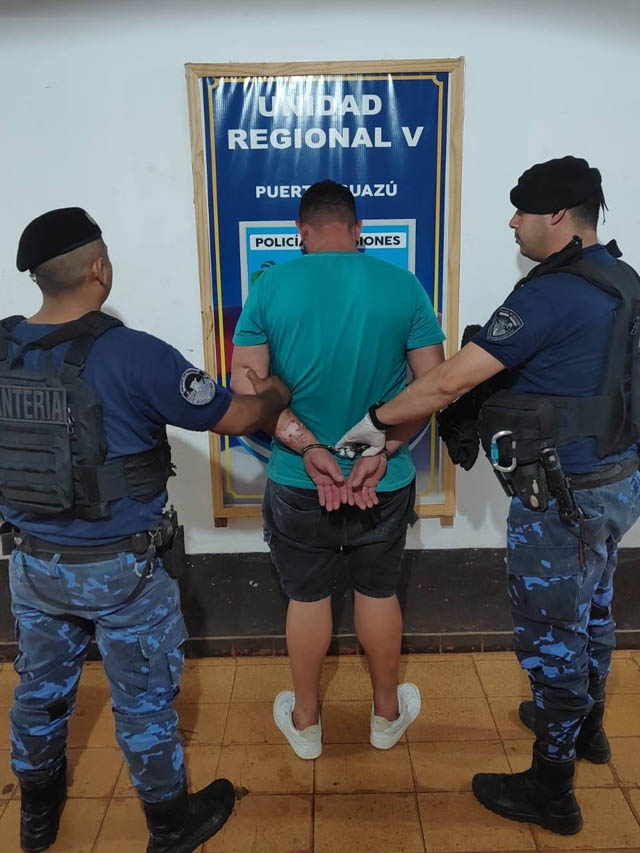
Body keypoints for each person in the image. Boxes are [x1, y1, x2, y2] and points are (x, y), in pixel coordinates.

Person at [335, 157, 640, 835]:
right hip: (616, 485)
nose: (512, 222)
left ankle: (551, 787)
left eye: (521, 210)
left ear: (557, 215)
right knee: (593, 607)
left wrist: (377, 422)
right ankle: (586, 728)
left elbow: (449, 381)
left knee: (552, 635)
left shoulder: (551, 293)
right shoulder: (622, 279)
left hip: (564, 502)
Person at [0, 207, 290, 853]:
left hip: (32, 564)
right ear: (99, 269)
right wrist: (273, 394)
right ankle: (169, 825)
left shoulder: (2, 346)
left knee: (39, 692)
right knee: (143, 702)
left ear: (40, 277)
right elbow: (234, 417)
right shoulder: (133, 352)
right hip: (122, 571)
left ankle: (37, 817)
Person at [231, 180, 445, 760]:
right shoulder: (403, 285)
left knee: (306, 599)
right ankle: (386, 715)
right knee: (378, 591)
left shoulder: (270, 287)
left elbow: (247, 390)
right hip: (382, 480)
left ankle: (306, 723)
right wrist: (383, 451)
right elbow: (433, 387)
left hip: (301, 479)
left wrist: (308, 448)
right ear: (358, 229)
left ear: (301, 232)